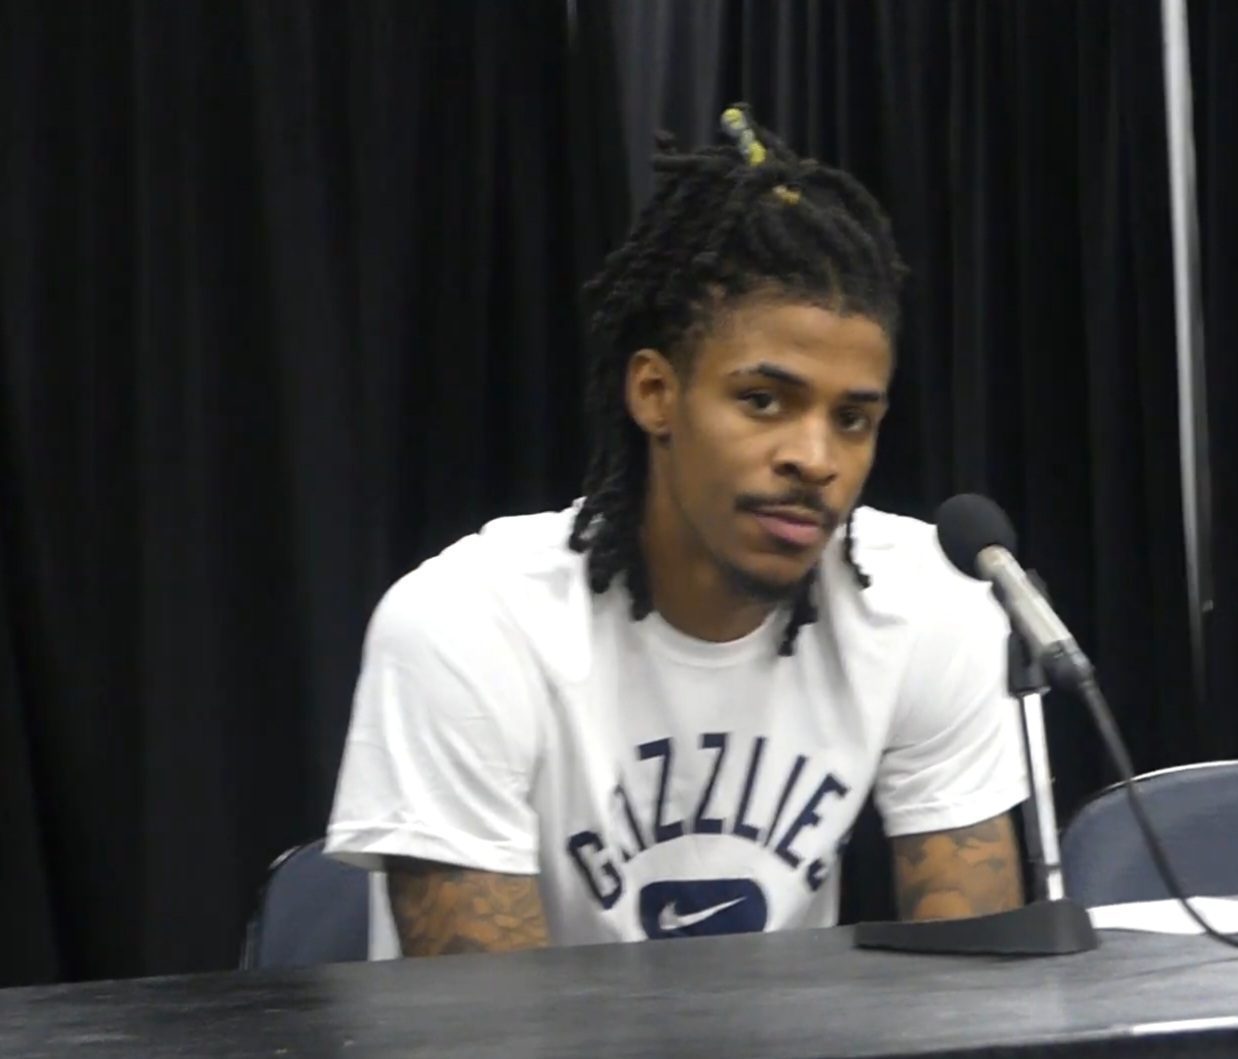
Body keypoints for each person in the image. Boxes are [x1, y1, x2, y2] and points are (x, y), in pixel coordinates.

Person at [324, 106, 1029, 956]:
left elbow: (981, 1002)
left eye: (852, 419)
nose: (815, 457)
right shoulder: (467, 625)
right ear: (655, 393)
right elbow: (487, 1034)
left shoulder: (927, 603)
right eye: (763, 401)